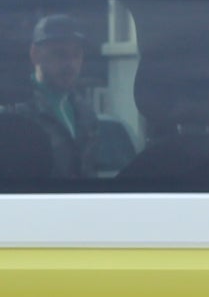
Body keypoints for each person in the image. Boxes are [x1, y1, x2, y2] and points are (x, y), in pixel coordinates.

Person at [19, 15, 128, 177]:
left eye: (76, 55)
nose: (70, 64)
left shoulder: (85, 111)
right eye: (59, 54)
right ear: (35, 54)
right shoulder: (17, 111)